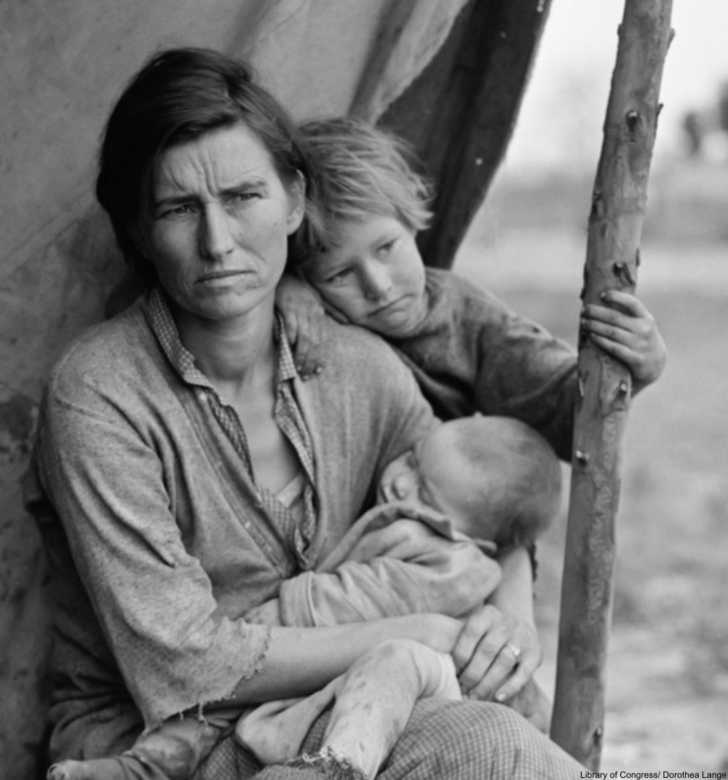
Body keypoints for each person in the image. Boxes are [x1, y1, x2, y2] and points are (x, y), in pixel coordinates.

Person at [29, 47, 583, 780]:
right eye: (178, 208)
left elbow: (466, 510)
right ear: (137, 229)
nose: (218, 242)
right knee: (483, 744)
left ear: (293, 202)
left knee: (509, 703)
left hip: (339, 710)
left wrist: (508, 618)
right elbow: (183, 666)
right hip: (156, 745)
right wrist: (424, 630)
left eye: (243, 197)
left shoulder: (358, 368)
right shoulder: (100, 395)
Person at [46, 414, 558, 779]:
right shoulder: (428, 516)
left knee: (215, 716)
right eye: (412, 459)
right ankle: (140, 767)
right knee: (203, 720)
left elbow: (360, 597)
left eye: (423, 492)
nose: (399, 482)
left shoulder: (445, 562)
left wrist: (284, 612)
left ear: (479, 539)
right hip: (329, 666)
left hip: (352, 666)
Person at [280, 117, 668, 465]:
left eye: (386, 248)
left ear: (411, 221)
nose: (378, 287)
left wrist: (633, 368)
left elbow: (558, 402)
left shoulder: (465, 315)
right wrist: (282, 290)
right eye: (340, 275)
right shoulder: (305, 312)